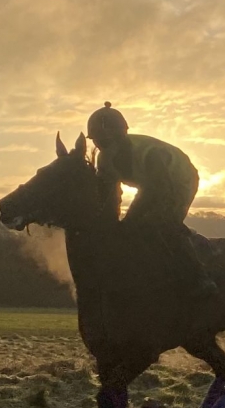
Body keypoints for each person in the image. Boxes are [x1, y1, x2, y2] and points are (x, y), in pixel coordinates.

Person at [86, 102, 217, 298]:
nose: (101, 146)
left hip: (179, 181)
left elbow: (156, 190)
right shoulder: (104, 159)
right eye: (97, 141)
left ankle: (199, 277)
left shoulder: (151, 154)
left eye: (105, 141)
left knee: (164, 224)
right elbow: (110, 193)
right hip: (148, 185)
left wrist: (129, 219)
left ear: (121, 135)